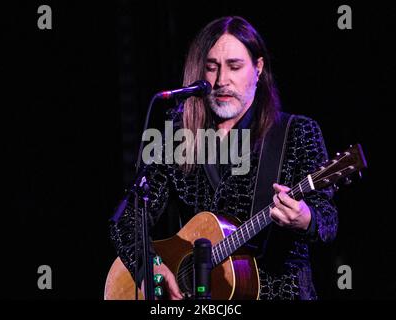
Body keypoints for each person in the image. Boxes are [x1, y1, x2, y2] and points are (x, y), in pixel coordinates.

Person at [109, 16, 338, 300]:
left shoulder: (297, 133)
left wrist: (306, 218)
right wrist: (151, 267)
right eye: (211, 68)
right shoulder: (177, 137)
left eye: (234, 66)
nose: (221, 81)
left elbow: (328, 221)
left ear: (258, 68)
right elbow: (127, 220)